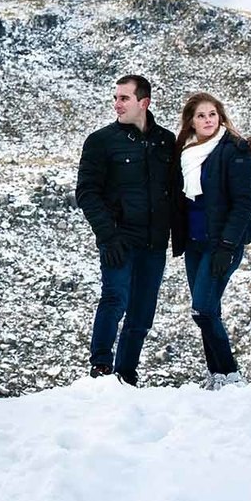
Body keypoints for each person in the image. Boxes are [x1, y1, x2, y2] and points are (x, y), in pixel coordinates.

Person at [76, 74, 175, 385]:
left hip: (155, 241)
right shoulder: (101, 141)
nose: (116, 104)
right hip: (118, 237)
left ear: (143, 102)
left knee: (142, 312)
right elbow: (87, 193)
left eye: (124, 98)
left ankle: (126, 374)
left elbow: (177, 188)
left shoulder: (166, 141)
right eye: (116, 97)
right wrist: (107, 235)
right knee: (114, 298)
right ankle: (101, 368)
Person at [170, 92, 251, 390]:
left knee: (204, 308)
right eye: (201, 116)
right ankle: (217, 375)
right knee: (206, 311)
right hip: (195, 244)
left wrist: (226, 246)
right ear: (191, 122)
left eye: (212, 114)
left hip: (222, 244)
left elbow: (244, 204)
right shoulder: (186, 153)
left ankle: (231, 374)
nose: (208, 120)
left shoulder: (235, 150)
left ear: (220, 117)